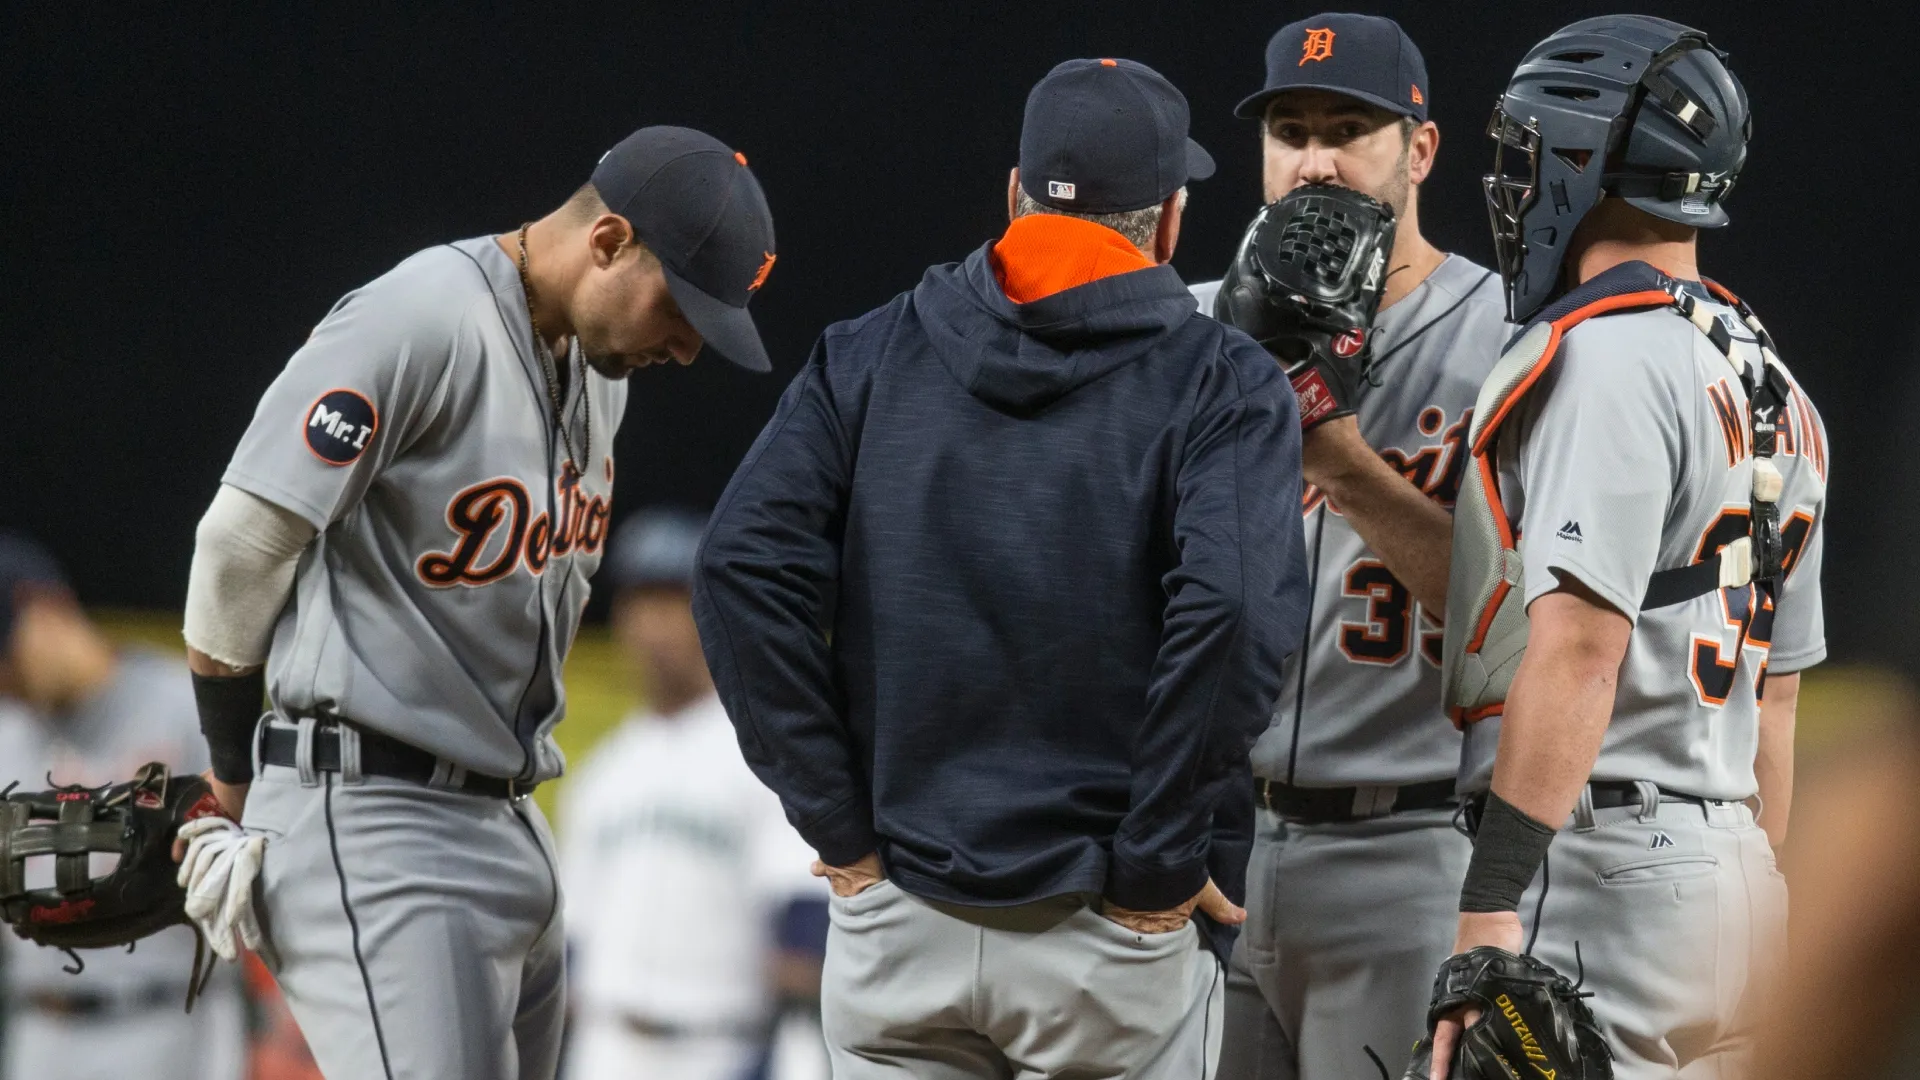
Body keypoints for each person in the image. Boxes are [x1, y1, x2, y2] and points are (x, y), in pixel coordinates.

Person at [695, 56, 1309, 1080]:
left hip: (900, 917)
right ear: (1167, 222)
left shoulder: (870, 351)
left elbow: (737, 569)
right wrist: (1160, 862)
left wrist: (838, 826)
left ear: (1015, 196)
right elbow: (1237, 615)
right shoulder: (1221, 380)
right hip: (1108, 932)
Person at [172, 125, 778, 1080]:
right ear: (609, 241)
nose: (691, 344)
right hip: (376, 812)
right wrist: (229, 780)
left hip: (506, 817)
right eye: (684, 304)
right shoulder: (420, 315)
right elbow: (242, 544)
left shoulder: (594, 366)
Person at [1429, 16, 1825, 1078]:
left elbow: (1579, 653)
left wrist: (1488, 911)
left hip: (1603, 868)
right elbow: (1778, 698)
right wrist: (1738, 881)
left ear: (1584, 158)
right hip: (1743, 872)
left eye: (1527, 152)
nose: (1511, 182)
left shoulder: (1608, 361)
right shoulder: (1780, 385)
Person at [1188, 15, 1510, 1079]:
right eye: (1290, 129)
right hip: (1213, 847)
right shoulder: (1192, 331)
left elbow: (1506, 622)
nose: (1315, 158)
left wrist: (1338, 461)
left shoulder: (1508, 341)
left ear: (1420, 150)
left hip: (1407, 853)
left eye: (1349, 128)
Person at [560, 508, 828, 1080]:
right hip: (604, 1048)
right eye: (642, 603)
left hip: (721, 1048)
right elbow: (572, 936)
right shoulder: (605, 770)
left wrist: (790, 1044)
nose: (655, 628)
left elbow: (802, 919)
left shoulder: (760, 756)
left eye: (674, 603)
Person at [0, 531, 245, 1080]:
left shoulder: (185, 706)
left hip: (178, 1021)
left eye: (4, 652)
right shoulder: (4, 735)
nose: (2, 679)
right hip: (43, 1032)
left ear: (45, 607)